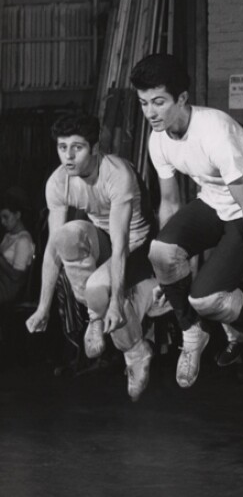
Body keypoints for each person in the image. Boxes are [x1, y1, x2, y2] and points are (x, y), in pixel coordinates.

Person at [129, 54, 243, 389]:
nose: (150, 113)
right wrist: (168, 279)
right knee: (160, 252)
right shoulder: (158, 138)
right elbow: (169, 204)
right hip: (213, 201)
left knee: (205, 299)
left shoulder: (215, 132)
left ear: (181, 99)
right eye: (143, 103)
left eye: (158, 102)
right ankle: (192, 333)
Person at [25, 112, 156, 401]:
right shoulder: (58, 182)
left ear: (95, 148)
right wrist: (43, 307)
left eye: (77, 147)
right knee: (65, 236)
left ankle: (136, 352)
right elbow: (52, 249)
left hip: (140, 245)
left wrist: (114, 302)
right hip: (106, 239)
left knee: (99, 288)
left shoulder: (118, 174)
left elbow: (122, 246)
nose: (68, 156)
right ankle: (94, 314)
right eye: (62, 147)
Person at [0, 191, 35, 304]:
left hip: (9, 291)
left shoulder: (23, 240)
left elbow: (17, 277)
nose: (2, 222)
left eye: (5, 216)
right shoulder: (8, 235)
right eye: (1, 218)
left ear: (17, 215)